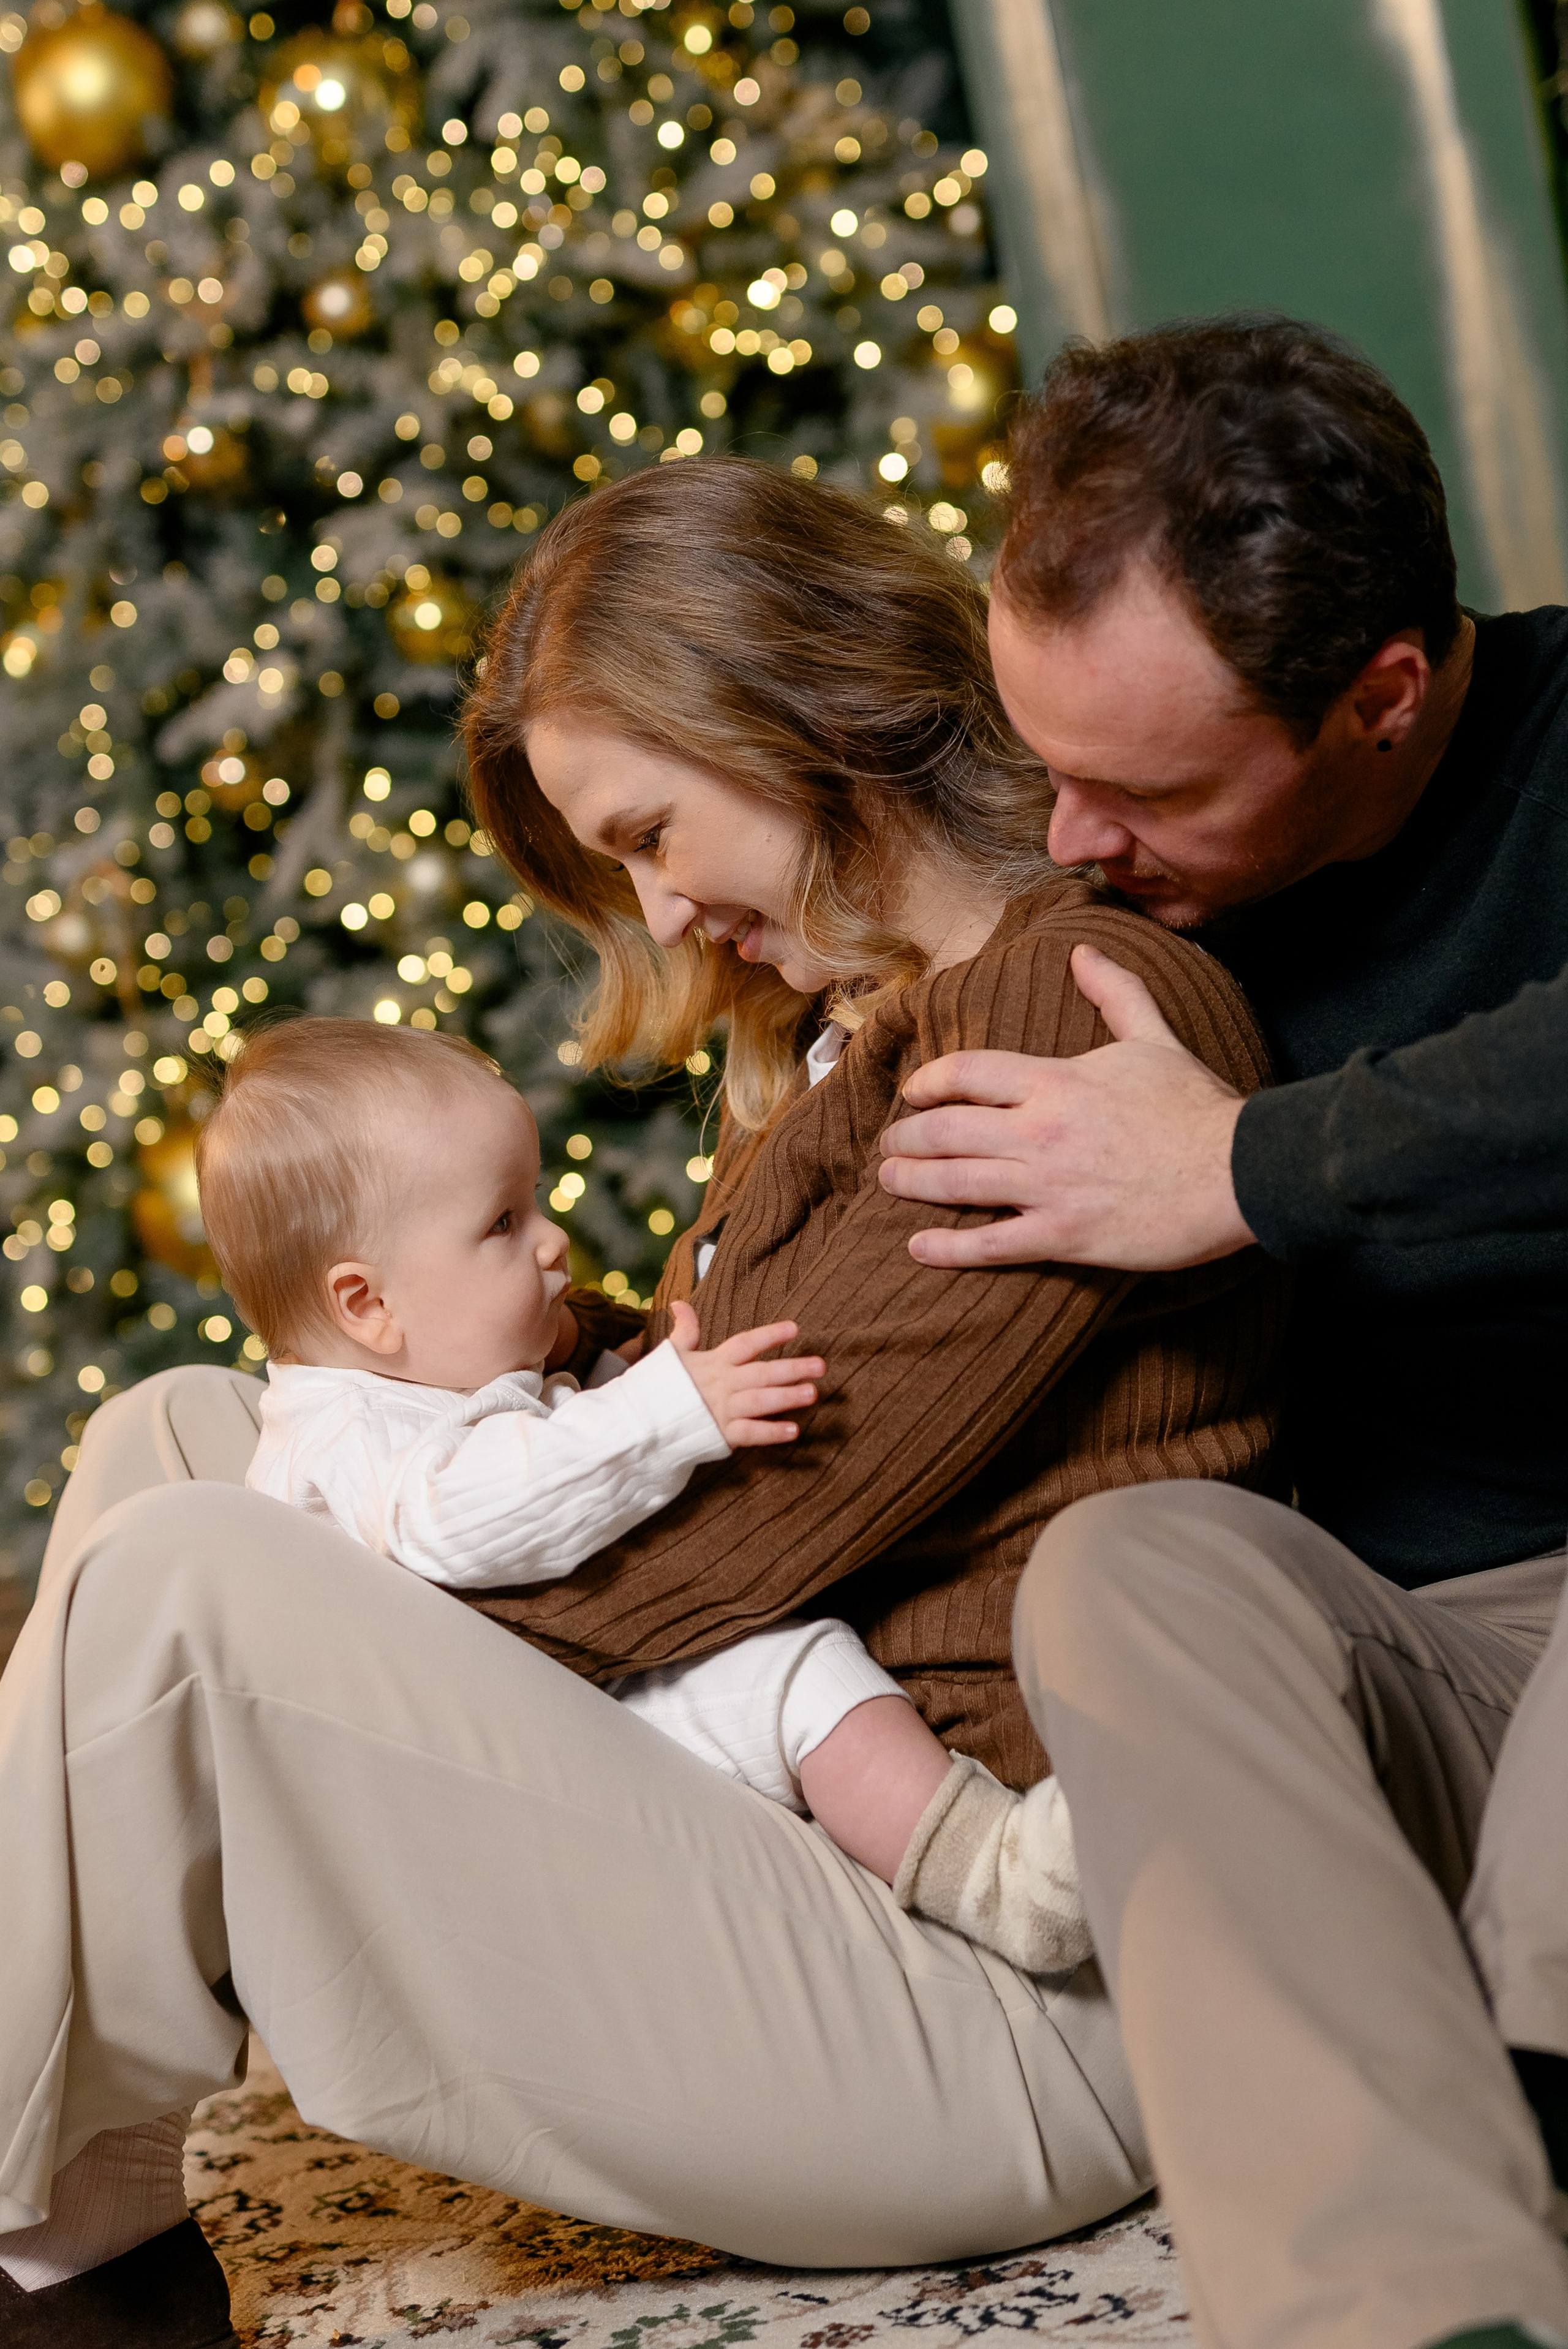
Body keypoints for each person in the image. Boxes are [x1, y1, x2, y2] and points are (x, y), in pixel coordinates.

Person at [0, 456, 1282, 2348]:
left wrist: (352, 1612)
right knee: (184, 1430)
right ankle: (64, 2207)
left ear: (796, 715)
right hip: (814, 1840)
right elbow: (692, 1409)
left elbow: (749, 1526)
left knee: (205, 1572)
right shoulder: (878, 1028)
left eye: (653, 830)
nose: (664, 913)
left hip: (1012, 1976)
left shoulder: (1059, 1023)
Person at [878, 315, 1568, 2347]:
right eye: (1048, 768)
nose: (1077, 838)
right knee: (1132, 1566)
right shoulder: (1123, 909)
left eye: (1142, 787)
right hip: (1410, 1666)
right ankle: (1417, 2317)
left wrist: (1253, 1166)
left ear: (1380, 696)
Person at [200, 1012, 1088, 1970]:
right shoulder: (352, 1434)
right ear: (368, 1306)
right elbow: (468, 1517)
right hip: (494, 1777)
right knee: (794, 1673)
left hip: (539, 1716)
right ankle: (1000, 1881)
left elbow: (536, 1438)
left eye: (533, 1202)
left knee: (787, 1672)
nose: (551, 1243)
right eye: (501, 1224)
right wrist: (667, 1412)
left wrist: (616, 1376)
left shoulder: (404, 1378)